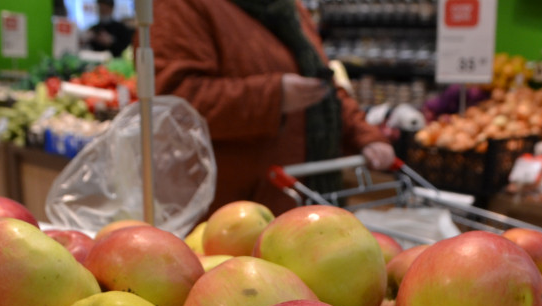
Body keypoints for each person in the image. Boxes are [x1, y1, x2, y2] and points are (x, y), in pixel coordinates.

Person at [152, 0, 396, 215]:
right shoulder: (181, 5)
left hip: (296, 194)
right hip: (233, 209)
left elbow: (322, 85)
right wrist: (274, 95)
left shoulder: (288, 7)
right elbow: (177, 100)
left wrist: (364, 134)